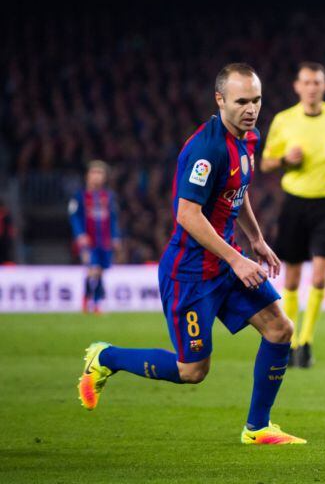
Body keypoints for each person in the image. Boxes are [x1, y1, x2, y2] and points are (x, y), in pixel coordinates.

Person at [77, 63, 305, 445]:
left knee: (280, 329)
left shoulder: (247, 137)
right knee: (192, 370)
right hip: (191, 273)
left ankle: (258, 427)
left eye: (257, 100)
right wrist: (236, 259)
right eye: (242, 102)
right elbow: (187, 214)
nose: (251, 109)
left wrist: (256, 239)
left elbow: (239, 187)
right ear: (220, 100)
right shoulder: (207, 148)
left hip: (228, 261)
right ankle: (106, 358)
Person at [260, 62, 325, 368]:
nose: (312, 87)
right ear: (297, 86)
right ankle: (287, 339)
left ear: (323, 86)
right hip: (295, 203)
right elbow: (265, 163)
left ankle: (305, 342)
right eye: (306, 82)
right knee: (292, 277)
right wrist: (284, 159)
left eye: (317, 82)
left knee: (319, 275)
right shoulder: (284, 120)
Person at [68, 160, 121, 314]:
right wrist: (80, 234)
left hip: (104, 240)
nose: (97, 177)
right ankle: (89, 300)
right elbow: (74, 216)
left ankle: (94, 302)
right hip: (88, 240)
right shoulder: (79, 196)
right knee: (94, 268)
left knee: (101, 271)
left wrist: (115, 236)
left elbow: (113, 218)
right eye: (94, 173)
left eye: (100, 173)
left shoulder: (109, 196)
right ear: (87, 176)